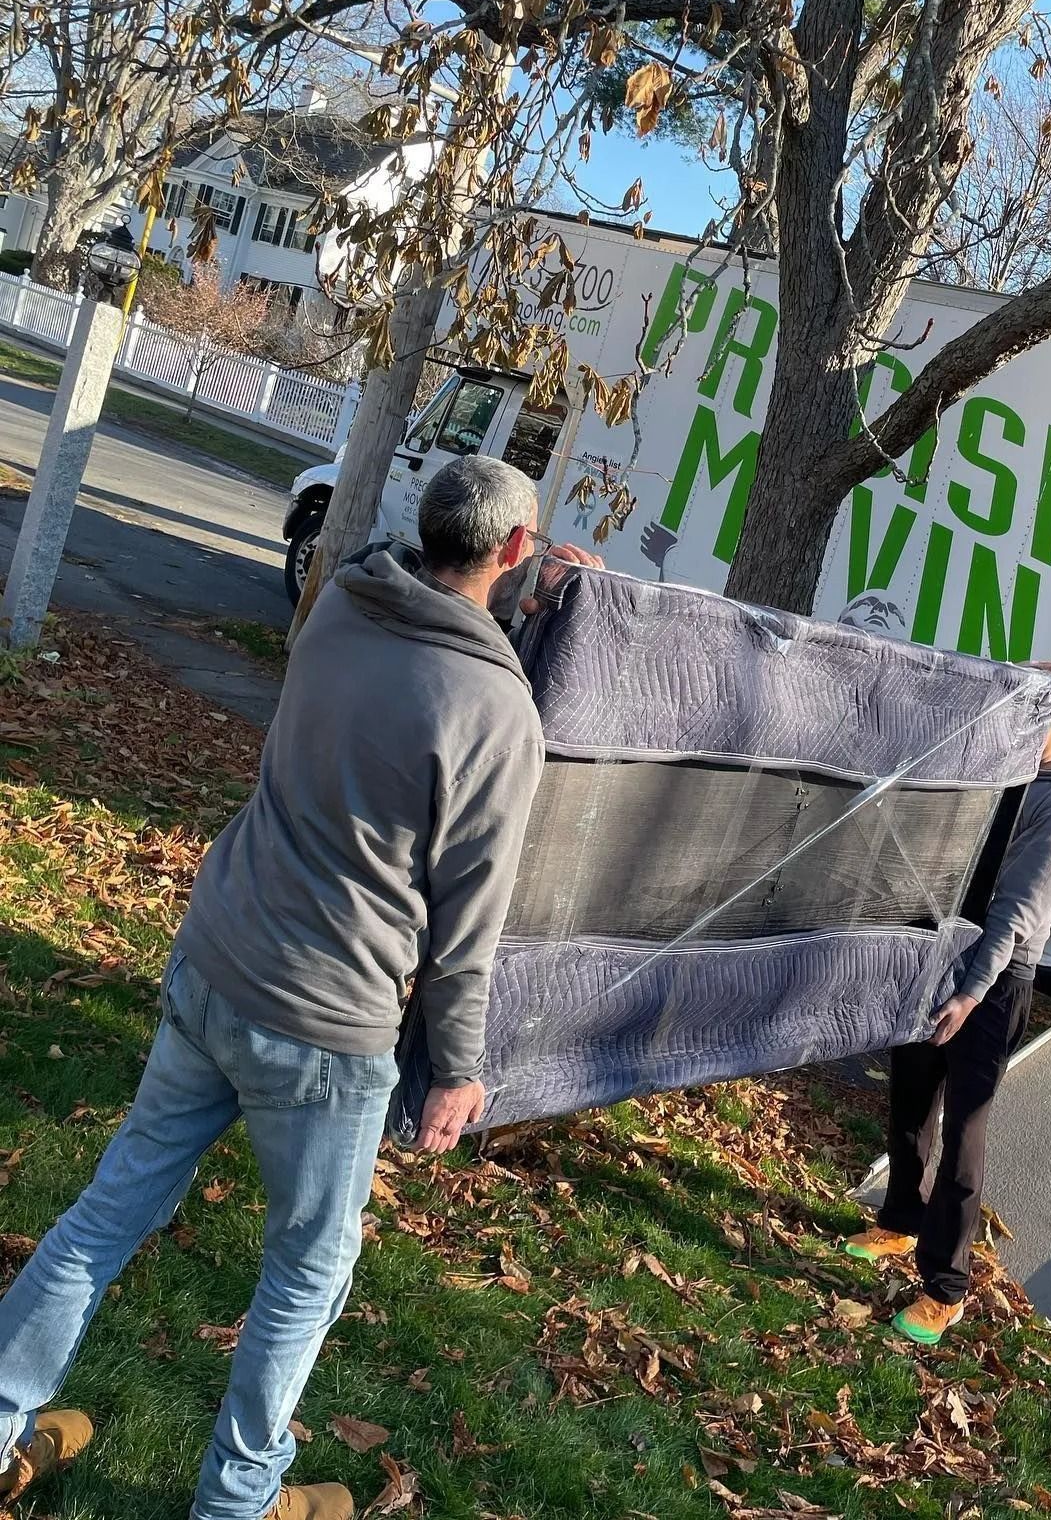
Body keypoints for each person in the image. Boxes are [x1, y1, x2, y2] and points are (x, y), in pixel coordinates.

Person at [0, 455, 597, 1520]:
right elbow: (470, 924)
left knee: (109, 1211)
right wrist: (457, 1069)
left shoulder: (340, 605)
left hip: (218, 958)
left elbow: (405, 573)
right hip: (327, 1025)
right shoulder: (498, 711)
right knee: (306, 1273)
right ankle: (239, 1499)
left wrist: (523, 566)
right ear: (514, 551)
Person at [844, 677, 1051, 1345]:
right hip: (939, 959)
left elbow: (1015, 916)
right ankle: (898, 1221)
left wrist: (969, 993)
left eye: (1026, 711)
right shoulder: (995, 773)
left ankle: (946, 1289)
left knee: (963, 1136)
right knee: (910, 1099)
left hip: (993, 984)